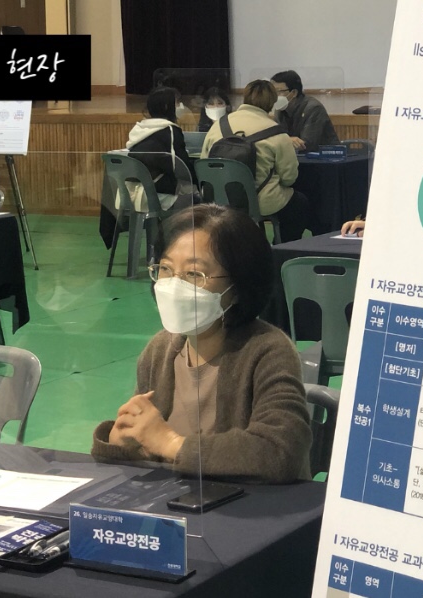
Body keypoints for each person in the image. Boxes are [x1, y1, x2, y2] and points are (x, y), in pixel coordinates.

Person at [91, 204, 311, 483]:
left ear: (238, 287)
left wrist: (170, 443)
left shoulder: (268, 350)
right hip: (179, 502)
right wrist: (124, 442)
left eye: (194, 274)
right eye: (166, 269)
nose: (175, 286)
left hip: (249, 505)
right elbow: (151, 460)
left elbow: (282, 451)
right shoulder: (160, 350)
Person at [201, 79, 317, 242]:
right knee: (299, 204)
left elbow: (204, 162)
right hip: (261, 201)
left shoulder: (218, 125)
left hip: (219, 200)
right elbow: (289, 177)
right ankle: (283, 250)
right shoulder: (277, 132)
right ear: (272, 102)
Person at [122, 87, 196, 213]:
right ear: (167, 107)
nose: (181, 106)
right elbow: (181, 168)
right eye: (177, 103)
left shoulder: (139, 129)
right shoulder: (170, 130)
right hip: (159, 194)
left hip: (132, 192)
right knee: (201, 200)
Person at [271, 70, 341, 151]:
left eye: (278, 91)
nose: (274, 96)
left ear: (294, 93)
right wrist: (287, 140)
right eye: (272, 92)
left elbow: (306, 144)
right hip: (296, 155)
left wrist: (285, 140)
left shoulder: (313, 108)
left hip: (326, 155)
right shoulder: (280, 110)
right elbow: (275, 136)